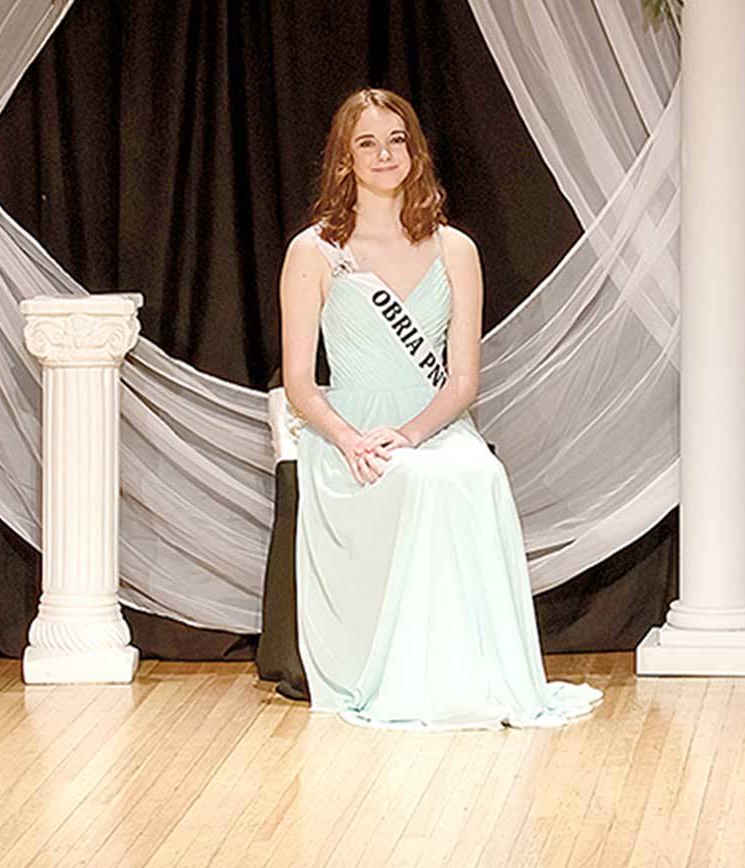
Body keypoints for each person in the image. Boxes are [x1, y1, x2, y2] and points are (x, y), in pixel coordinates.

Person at [279, 88, 599, 729]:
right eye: (366, 143)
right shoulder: (312, 252)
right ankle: (411, 681)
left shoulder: (456, 250)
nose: (383, 154)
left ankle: (477, 676)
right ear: (344, 159)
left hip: (432, 423)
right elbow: (298, 383)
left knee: (476, 473)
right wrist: (352, 439)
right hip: (349, 433)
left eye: (396, 140)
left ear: (414, 151)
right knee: (421, 482)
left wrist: (409, 432)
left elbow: (461, 384)